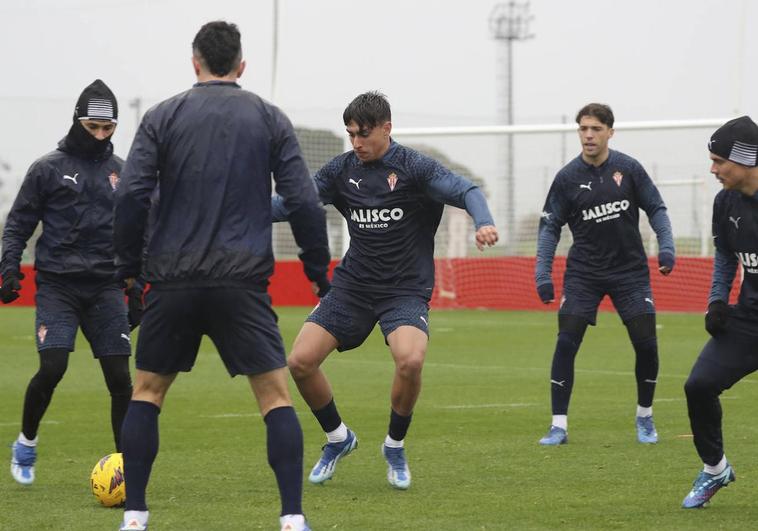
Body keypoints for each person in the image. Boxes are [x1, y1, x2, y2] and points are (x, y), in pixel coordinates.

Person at [112, 21, 329, 531]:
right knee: (275, 396)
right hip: (241, 282)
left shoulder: (162, 115)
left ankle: (135, 517)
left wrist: (128, 270)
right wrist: (318, 269)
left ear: (195, 63)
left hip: (172, 280)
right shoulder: (267, 116)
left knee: (146, 392)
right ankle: (293, 519)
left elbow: (130, 196)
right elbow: (303, 200)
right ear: (241, 65)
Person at [273, 91, 499, 491]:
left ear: (386, 128)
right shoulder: (341, 171)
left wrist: (483, 221)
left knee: (410, 361)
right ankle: (338, 438)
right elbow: (290, 202)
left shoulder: (414, 167)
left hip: (405, 290)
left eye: (363, 134)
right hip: (353, 287)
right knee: (300, 361)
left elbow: (468, 190)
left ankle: (394, 445)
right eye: (350, 134)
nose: (356, 143)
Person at [1, 80, 140, 485]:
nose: (99, 135)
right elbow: (18, 226)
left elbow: (137, 235)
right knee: (53, 367)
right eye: (92, 126)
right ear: (78, 121)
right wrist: (9, 268)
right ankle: (26, 442)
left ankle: (124, 469)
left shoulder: (123, 172)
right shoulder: (47, 168)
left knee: (119, 378)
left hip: (106, 287)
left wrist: (137, 289)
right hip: (58, 286)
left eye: (107, 128)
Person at [535, 103, 675, 446]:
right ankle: (558, 426)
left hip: (630, 272)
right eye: (583, 129)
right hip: (584, 273)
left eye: (595, 129)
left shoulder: (628, 169)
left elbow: (656, 208)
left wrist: (667, 246)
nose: (588, 135)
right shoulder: (567, 178)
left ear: (610, 132)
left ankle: (644, 416)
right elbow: (550, 226)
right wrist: (542, 273)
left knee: (646, 344)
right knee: (566, 341)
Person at [681, 116, 758, 508]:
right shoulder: (725, 202)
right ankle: (715, 469)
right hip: (749, 320)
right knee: (698, 386)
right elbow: (726, 258)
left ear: (745, 159)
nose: (712, 169)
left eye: (718, 161)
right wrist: (716, 300)